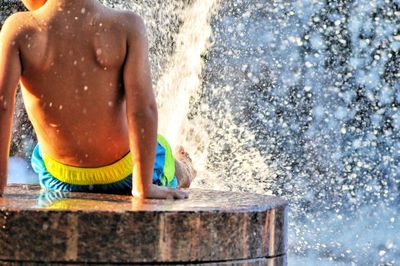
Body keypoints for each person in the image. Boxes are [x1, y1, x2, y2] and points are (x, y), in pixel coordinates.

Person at [0, 0, 196, 199]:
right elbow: (143, 109)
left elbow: (2, 106)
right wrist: (143, 187)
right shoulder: (126, 25)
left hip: (60, 178)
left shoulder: (20, 30)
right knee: (162, 153)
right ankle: (185, 169)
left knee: (40, 152)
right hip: (126, 175)